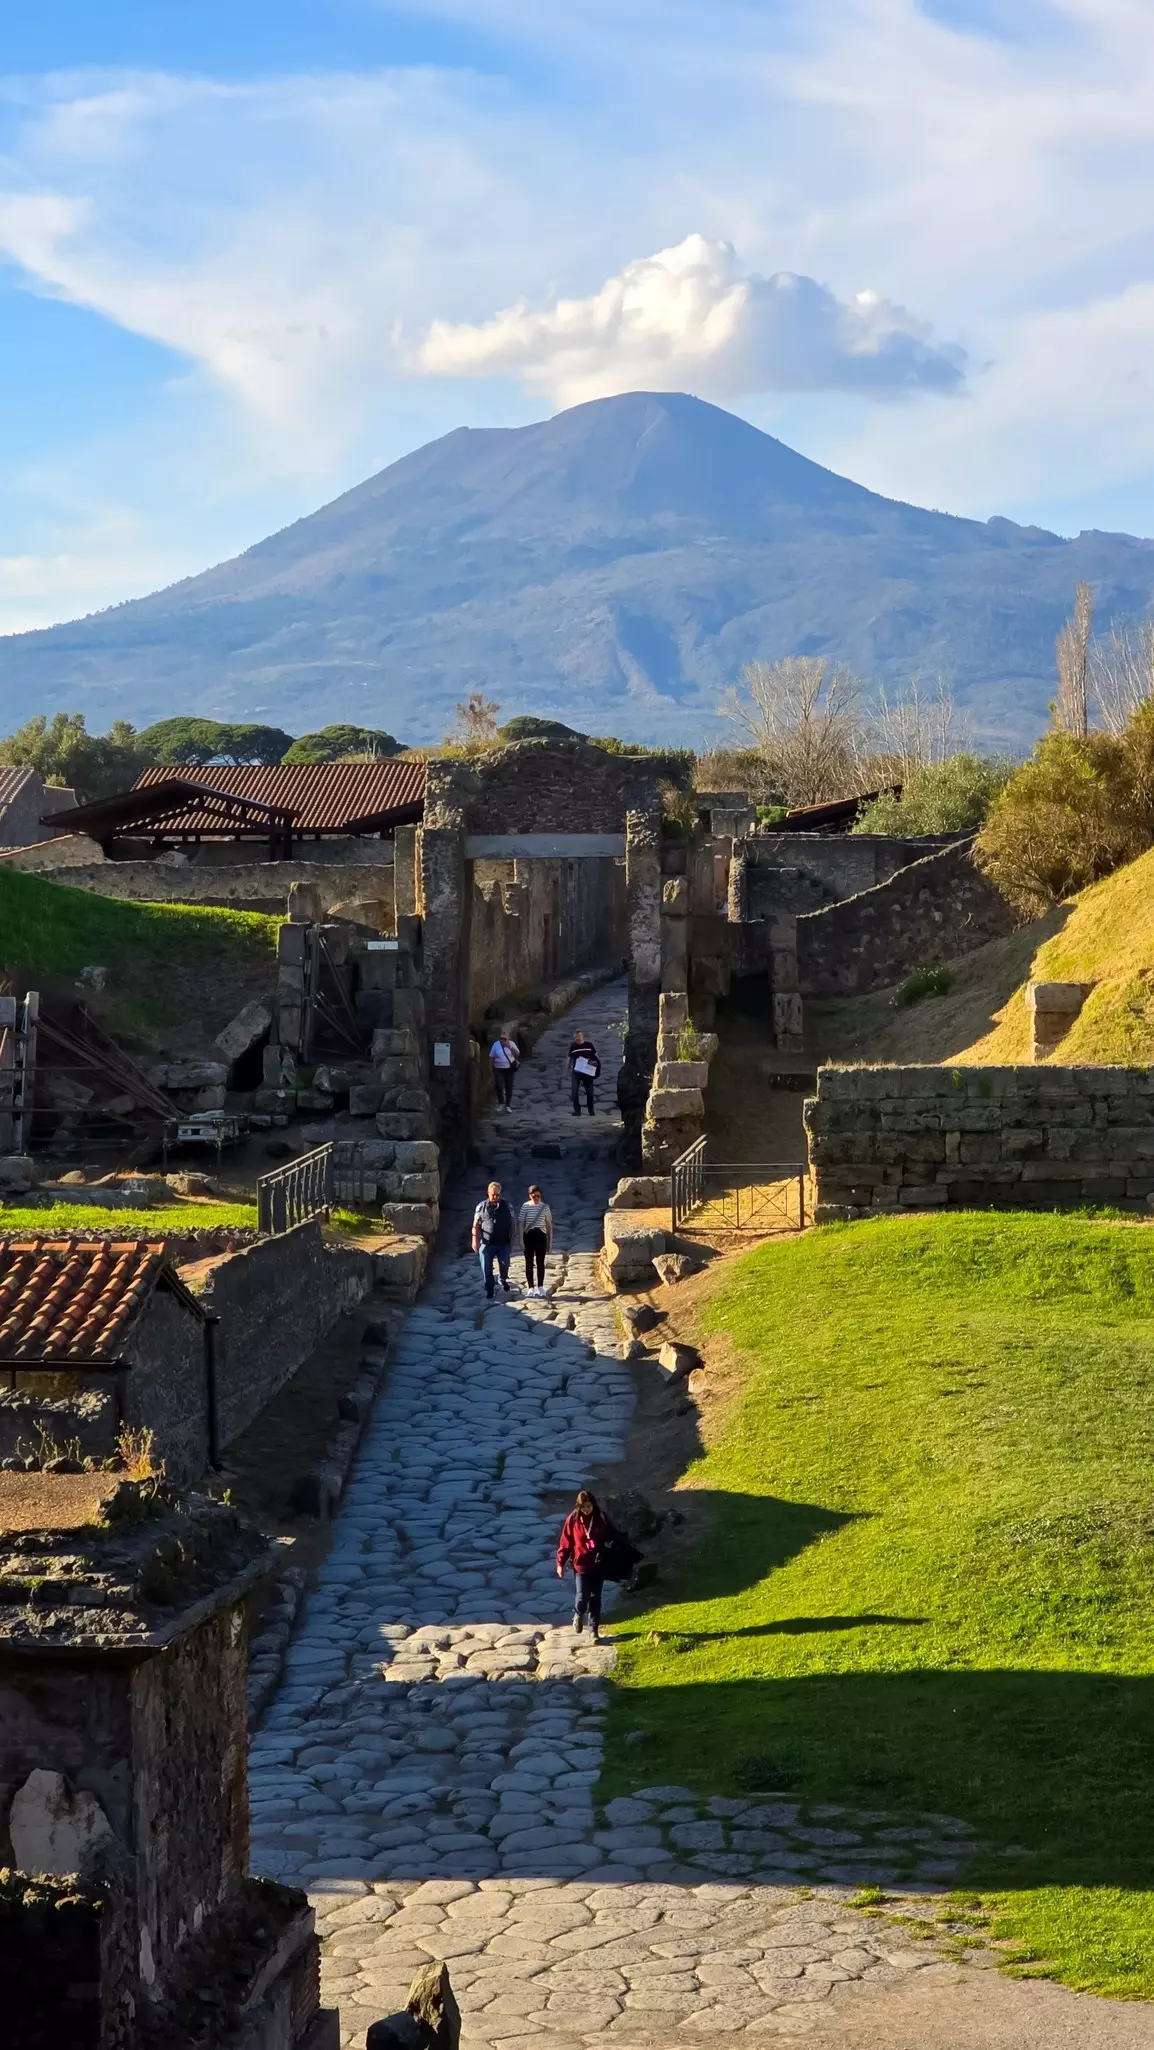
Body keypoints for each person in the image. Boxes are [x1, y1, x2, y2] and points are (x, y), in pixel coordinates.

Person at [556, 1488, 612, 1641]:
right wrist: (560, 1563)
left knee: (596, 1598)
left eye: (589, 1506)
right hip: (580, 1565)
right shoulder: (573, 1520)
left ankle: (594, 1631)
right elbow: (565, 1542)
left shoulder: (601, 1517)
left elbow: (611, 1535)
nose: (587, 1510)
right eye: (583, 1507)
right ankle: (578, 1613)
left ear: (593, 1505)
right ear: (579, 1507)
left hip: (598, 1564)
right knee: (582, 1596)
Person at [472, 1180, 517, 1299]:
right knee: (486, 1269)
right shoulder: (481, 1206)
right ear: (488, 1193)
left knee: (504, 1264)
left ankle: (502, 1279)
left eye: (498, 1194)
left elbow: (513, 1224)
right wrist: (475, 1240)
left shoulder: (507, 1206)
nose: (495, 1197)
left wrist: (512, 1240)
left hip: (503, 1243)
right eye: (493, 1194)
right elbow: (476, 1225)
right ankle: (489, 1290)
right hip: (487, 1243)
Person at [519, 1183, 553, 1296]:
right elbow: (521, 1224)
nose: (536, 1198)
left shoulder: (545, 1207)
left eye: (538, 1196)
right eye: (534, 1196)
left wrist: (550, 1241)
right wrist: (520, 1240)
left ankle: (541, 1286)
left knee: (540, 1262)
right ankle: (530, 1288)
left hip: (541, 1236)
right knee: (529, 1263)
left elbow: (549, 1225)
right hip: (528, 1236)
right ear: (530, 1196)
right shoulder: (525, 1206)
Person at [568, 1029, 600, 1116]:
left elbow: (596, 1056)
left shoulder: (589, 1045)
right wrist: (567, 1069)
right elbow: (569, 1058)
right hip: (576, 1072)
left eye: (579, 1036)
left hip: (587, 1072)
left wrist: (597, 1065)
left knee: (590, 1092)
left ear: (583, 1037)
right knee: (574, 1092)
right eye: (576, 1037)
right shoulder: (573, 1046)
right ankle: (577, 1110)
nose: (577, 1038)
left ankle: (591, 1110)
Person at [490, 1028, 520, 1113]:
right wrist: (491, 1067)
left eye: (505, 1039)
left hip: (509, 1068)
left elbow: (517, 1054)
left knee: (509, 1086)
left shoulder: (511, 1044)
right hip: (498, 1068)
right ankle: (501, 1103)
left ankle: (508, 1105)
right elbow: (491, 1056)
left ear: (508, 1038)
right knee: (499, 1085)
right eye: (501, 1038)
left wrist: (509, 1046)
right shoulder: (496, 1045)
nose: (503, 1040)